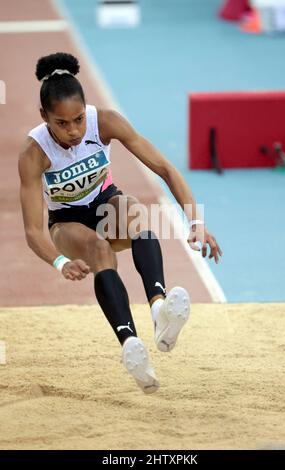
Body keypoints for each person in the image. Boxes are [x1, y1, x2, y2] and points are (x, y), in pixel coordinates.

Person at [18, 52, 222, 394]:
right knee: (99, 250)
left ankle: (159, 312)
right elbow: (32, 231)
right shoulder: (33, 153)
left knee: (134, 212)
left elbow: (167, 169)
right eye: (62, 124)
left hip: (104, 202)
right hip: (66, 221)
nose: (73, 131)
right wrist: (60, 262)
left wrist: (196, 221)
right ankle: (130, 344)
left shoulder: (106, 122)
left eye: (79, 119)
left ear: (88, 110)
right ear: (44, 118)